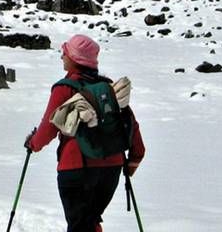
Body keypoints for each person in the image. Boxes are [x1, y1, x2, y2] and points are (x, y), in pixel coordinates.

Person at [25, 34, 145, 232]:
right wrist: (135, 157)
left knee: (80, 225)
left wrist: (33, 144)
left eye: (65, 52)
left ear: (74, 58)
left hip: (76, 168)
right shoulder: (108, 87)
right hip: (112, 167)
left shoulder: (65, 88)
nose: (62, 56)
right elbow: (129, 121)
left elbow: (49, 127)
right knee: (89, 221)